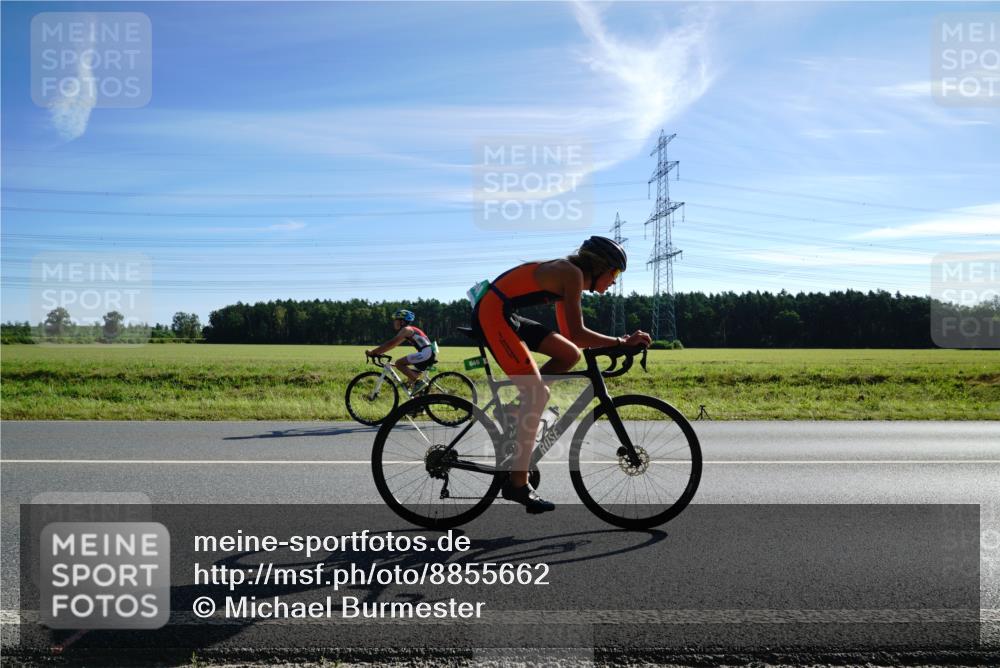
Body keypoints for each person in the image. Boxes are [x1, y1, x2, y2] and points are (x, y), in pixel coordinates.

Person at [473, 236, 651, 513]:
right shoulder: (571, 274)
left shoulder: (570, 275)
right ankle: (517, 483)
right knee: (538, 395)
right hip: (493, 314)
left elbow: (572, 338)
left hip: (505, 312)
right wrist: (620, 342)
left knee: (569, 354)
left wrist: (616, 342)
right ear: (600, 267)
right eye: (615, 273)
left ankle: (513, 411)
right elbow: (579, 333)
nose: (615, 280)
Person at [366, 309, 436, 393]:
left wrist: (374, 352)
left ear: (402, 321)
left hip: (426, 353)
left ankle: (419, 383)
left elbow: (391, 343)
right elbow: (394, 345)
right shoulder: (409, 330)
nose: (394, 322)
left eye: (396, 320)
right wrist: (379, 352)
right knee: (412, 384)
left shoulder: (406, 330)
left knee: (399, 363)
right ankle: (422, 400)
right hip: (428, 353)